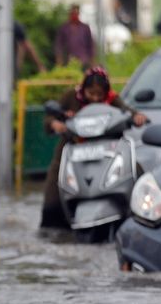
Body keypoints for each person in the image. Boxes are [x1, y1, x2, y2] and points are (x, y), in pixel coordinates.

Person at [40, 67, 146, 228]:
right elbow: (50, 118)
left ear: (106, 92)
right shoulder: (71, 97)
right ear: (84, 89)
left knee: (135, 173)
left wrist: (137, 117)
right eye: (91, 93)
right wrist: (55, 124)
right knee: (52, 198)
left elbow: (127, 112)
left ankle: (141, 215)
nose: (95, 98)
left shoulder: (112, 99)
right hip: (74, 149)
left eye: (99, 94)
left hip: (106, 151)